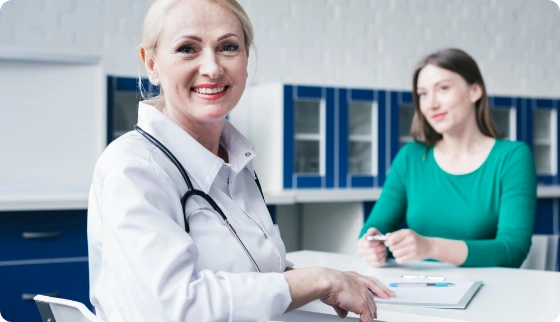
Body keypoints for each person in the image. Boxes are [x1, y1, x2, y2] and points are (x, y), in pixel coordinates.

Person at [87, 0, 394, 321]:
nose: (212, 67)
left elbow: (249, 271)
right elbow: (174, 307)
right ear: (151, 63)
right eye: (187, 48)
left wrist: (328, 280)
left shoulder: (234, 160)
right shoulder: (133, 167)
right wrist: (317, 279)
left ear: (246, 58)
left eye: (228, 47)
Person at [357, 48, 537, 268]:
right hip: (416, 288)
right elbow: (376, 225)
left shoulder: (512, 157)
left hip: (489, 292)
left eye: (442, 88)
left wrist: (431, 247)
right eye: (423, 93)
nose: (431, 104)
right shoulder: (411, 157)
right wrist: (370, 241)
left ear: (475, 91)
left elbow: (513, 249)